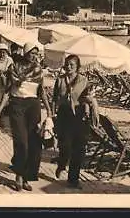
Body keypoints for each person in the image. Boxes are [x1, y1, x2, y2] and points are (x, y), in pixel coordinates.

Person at [3, 42, 52, 192]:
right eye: (32, 53)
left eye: (37, 54)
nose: (35, 56)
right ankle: (18, 174)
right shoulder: (14, 68)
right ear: (25, 53)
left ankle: (25, 177)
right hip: (17, 105)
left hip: (33, 106)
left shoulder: (38, 70)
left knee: (34, 143)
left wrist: (49, 110)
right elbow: (8, 90)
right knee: (21, 142)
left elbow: (41, 91)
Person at [52, 54, 97, 189]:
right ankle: (61, 164)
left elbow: (87, 97)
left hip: (79, 115)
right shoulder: (60, 80)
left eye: (72, 64)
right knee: (65, 146)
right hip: (64, 114)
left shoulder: (84, 80)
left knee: (79, 148)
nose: (68, 66)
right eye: (67, 64)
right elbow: (54, 98)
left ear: (77, 67)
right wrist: (52, 114)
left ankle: (73, 179)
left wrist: (89, 105)